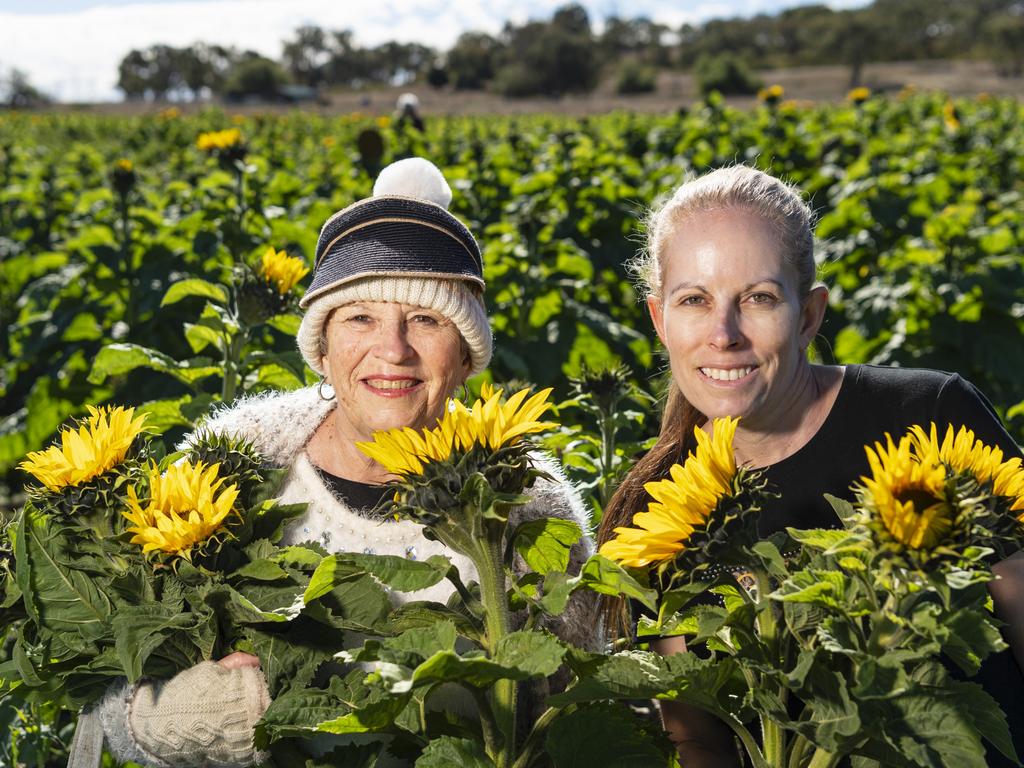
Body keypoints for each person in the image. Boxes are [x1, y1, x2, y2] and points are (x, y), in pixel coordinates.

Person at [85, 158, 598, 768]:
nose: (393, 349)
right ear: (321, 350)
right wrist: (168, 718)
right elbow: (97, 693)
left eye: (426, 320)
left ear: (465, 357)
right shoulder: (229, 472)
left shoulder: (528, 504)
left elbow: (582, 715)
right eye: (361, 317)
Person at [596, 164, 1024, 767]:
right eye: (695, 300)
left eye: (759, 299)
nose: (724, 334)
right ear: (660, 320)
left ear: (811, 315)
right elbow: (696, 736)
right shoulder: (662, 510)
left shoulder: (928, 414)